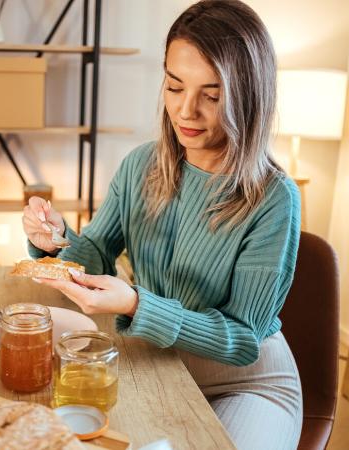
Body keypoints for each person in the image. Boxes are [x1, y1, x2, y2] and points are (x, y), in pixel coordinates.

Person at [22, 1, 302, 448]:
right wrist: (55, 241)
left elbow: (243, 338)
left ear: (250, 96)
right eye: (175, 86)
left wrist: (137, 305)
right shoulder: (141, 166)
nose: (186, 111)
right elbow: (95, 250)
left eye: (212, 95)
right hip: (154, 362)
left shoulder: (273, 198)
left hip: (245, 381)